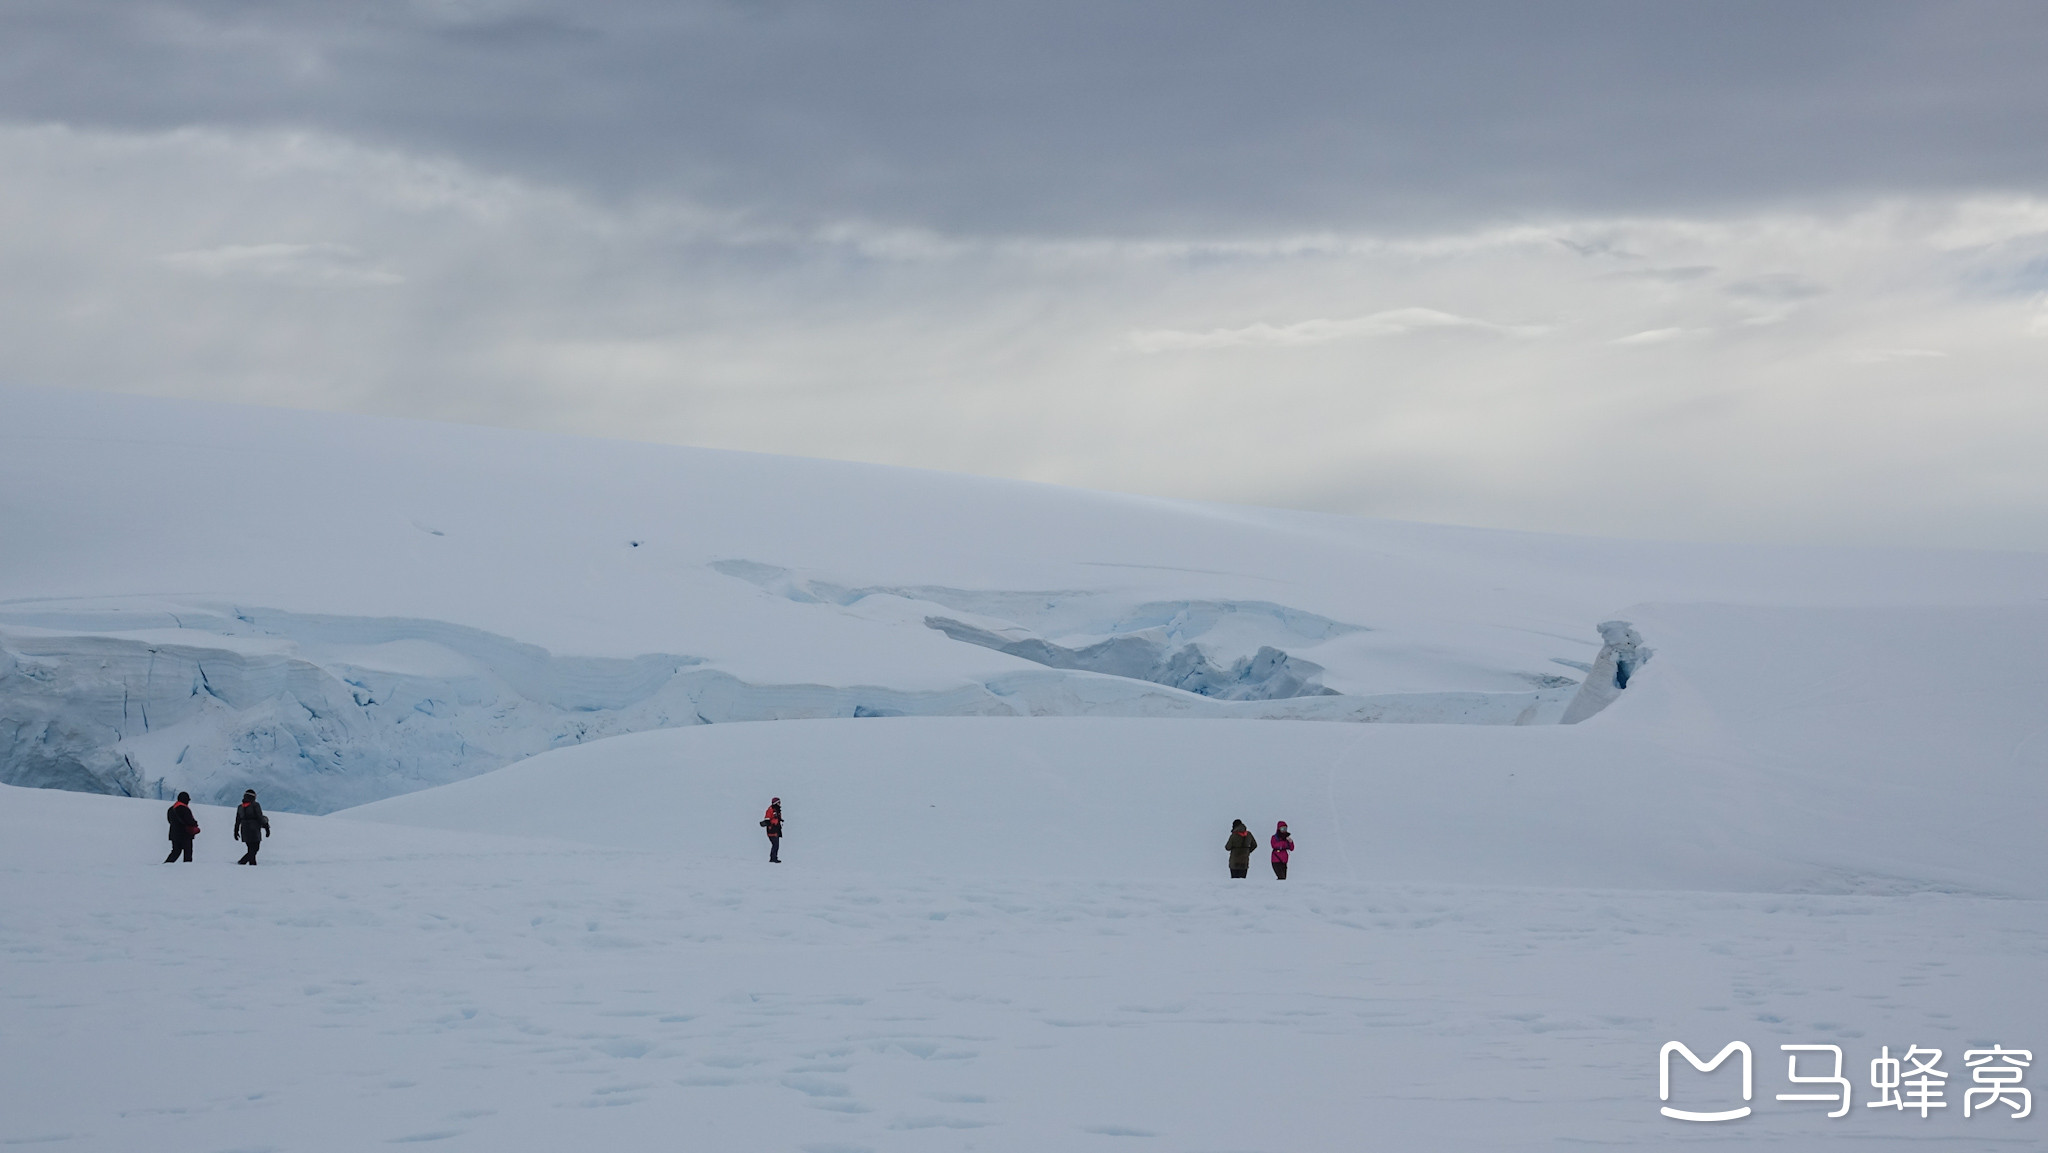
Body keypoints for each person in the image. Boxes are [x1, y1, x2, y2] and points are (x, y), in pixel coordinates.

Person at [233, 789, 271, 865]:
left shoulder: (240, 807)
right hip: (254, 829)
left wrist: (236, 831)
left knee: (250, 848)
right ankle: (242, 861)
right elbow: (260, 817)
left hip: (244, 829)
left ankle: (252, 864)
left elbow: (237, 820)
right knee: (255, 848)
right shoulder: (255, 805)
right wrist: (267, 828)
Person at [164, 792, 200, 863]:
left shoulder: (171, 809)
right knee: (188, 852)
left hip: (174, 833)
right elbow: (189, 821)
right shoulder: (184, 809)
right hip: (185, 835)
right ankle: (187, 868)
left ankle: (166, 865)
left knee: (176, 851)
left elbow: (169, 820)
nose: (188, 801)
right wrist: (195, 824)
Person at [760, 797, 783, 863]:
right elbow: (767, 819)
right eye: (779, 802)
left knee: (776, 845)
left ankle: (774, 857)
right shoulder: (771, 810)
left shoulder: (777, 810)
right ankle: (773, 858)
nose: (780, 804)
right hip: (772, 831)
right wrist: (772, 823)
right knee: (775, 845)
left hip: (776, 830)